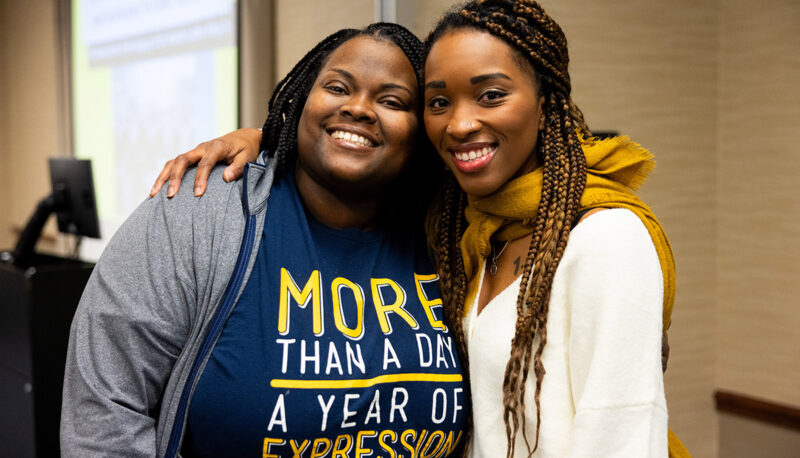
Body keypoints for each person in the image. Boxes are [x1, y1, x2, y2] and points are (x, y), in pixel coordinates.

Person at [153, 1, 691, 457]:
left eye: (491, 95)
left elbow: (622, 427)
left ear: (546, 101)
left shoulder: (605, 239)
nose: (459, 123)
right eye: (439, 102)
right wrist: (264, 138)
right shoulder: (464, 228)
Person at [61, 23, 469, 458]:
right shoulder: (197, 210)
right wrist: (266, 137)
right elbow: (103, 414)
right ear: (300, 101)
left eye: (391, 101)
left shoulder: (451, 230)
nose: (359, 108)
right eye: (336, 87)